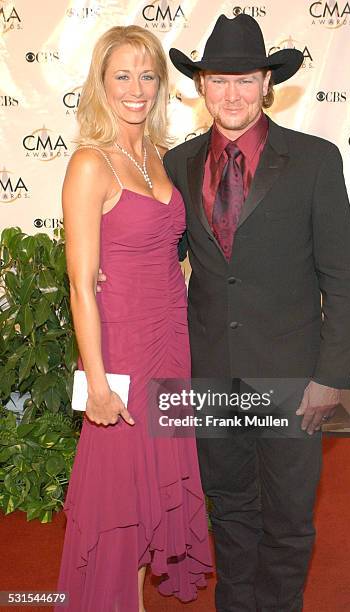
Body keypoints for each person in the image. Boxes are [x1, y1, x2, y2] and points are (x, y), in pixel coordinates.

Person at [98, 13, 350, 612]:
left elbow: (342, 280)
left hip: (294, 379)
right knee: (233, 512)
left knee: (289, 519)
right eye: (218, 80)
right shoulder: (179, 164)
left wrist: (331, 378)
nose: (232, 93)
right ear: (200, 87)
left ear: (268, 83)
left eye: (246, 79)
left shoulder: (316, 160)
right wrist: (104, 266)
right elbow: (160, 250)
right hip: (211, 372)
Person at [55, 25, 212, 612]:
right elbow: (80, 283)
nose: (137, 87)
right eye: (122, 74)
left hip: (171, 339)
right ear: (100, 83)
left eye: (148, 75)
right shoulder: (90, 164)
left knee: (154, 490)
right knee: (119, 498)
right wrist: (95, 381)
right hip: (120, 349)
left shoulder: (157, 157)